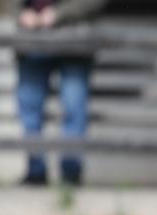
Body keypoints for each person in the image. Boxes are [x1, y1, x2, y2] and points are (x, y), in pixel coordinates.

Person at [14, 0, 107, 186]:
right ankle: (35, 170)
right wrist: (20, 13)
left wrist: (59, 13)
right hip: (32, 38)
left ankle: (71, 173)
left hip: (74, 39)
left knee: (74, 106)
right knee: (30, 109)